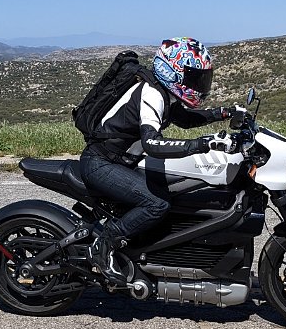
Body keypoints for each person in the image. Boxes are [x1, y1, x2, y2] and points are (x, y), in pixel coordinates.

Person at [79, 37, 244, 285]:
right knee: (157, 204)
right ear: (173, 71)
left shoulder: (164, 94)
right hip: (101, 164)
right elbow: (152, 144)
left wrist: (223, 113)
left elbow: (186, 120)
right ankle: (103, 245)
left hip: (122, 162)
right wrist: (201, 144)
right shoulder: (151, 94)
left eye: (201, 78)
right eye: (194, 78)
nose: (198, 84)